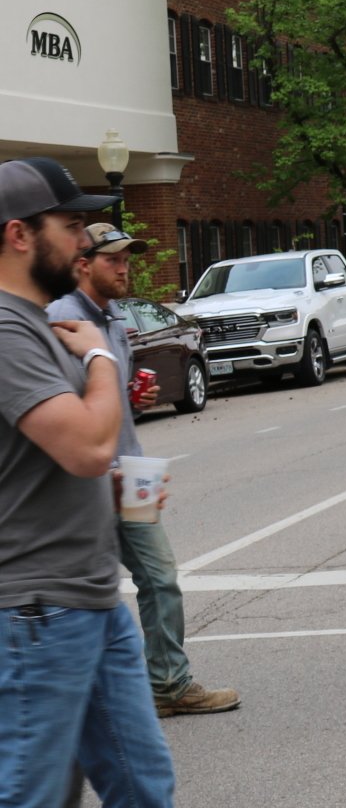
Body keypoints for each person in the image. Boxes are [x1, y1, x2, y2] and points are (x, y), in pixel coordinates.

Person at [0, 156, 289, 808]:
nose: (86, 238)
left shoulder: (32, 325)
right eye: (70, 226)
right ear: (19, 236)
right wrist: (96, 361)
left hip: (87, 598)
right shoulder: (14, 332)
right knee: (19, 804)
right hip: (41, 605)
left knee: (138, 782)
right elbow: (85, 446)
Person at [48, 223, 240, 720]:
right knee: (78, 590)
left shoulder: (111, 320)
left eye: (127, 257)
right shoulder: (62, 320)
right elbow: (59, 409)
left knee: (159, 578)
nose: (124, 266)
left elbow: (104, 397)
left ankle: (167, 685)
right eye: (113, 259)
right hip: (87, 479)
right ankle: (73, 696)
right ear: (82, 263)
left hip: (129, 471)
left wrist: (135, 397)